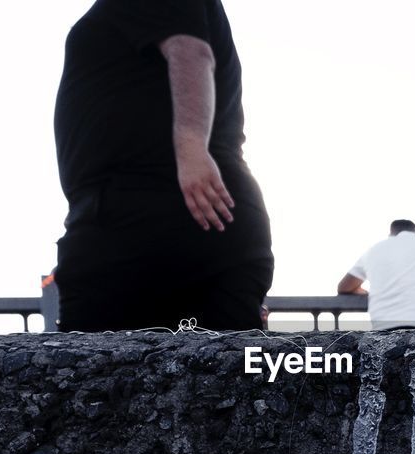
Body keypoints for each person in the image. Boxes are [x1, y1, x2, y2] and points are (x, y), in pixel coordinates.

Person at [53, 0, 273, 332]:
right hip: (165, 215)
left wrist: (191, 147)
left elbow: (190, 51)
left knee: (100, 375)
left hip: (164, 212)